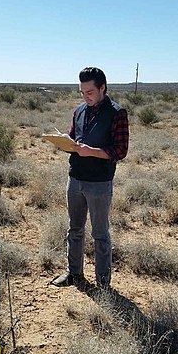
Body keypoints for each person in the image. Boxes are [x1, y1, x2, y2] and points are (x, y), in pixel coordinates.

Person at [52, 67, 129, 289]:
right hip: (75, 178)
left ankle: (103, 284)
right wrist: (65, 143)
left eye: (90, 92)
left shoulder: (117, 113)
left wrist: (92, 151)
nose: (85, 97)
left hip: (99, 183)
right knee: (74, 228)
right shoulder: (79, 111)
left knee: (100, 234)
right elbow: (75, 139)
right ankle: (74, 273)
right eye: (82, 92)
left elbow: (120, 151)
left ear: (102, 88)